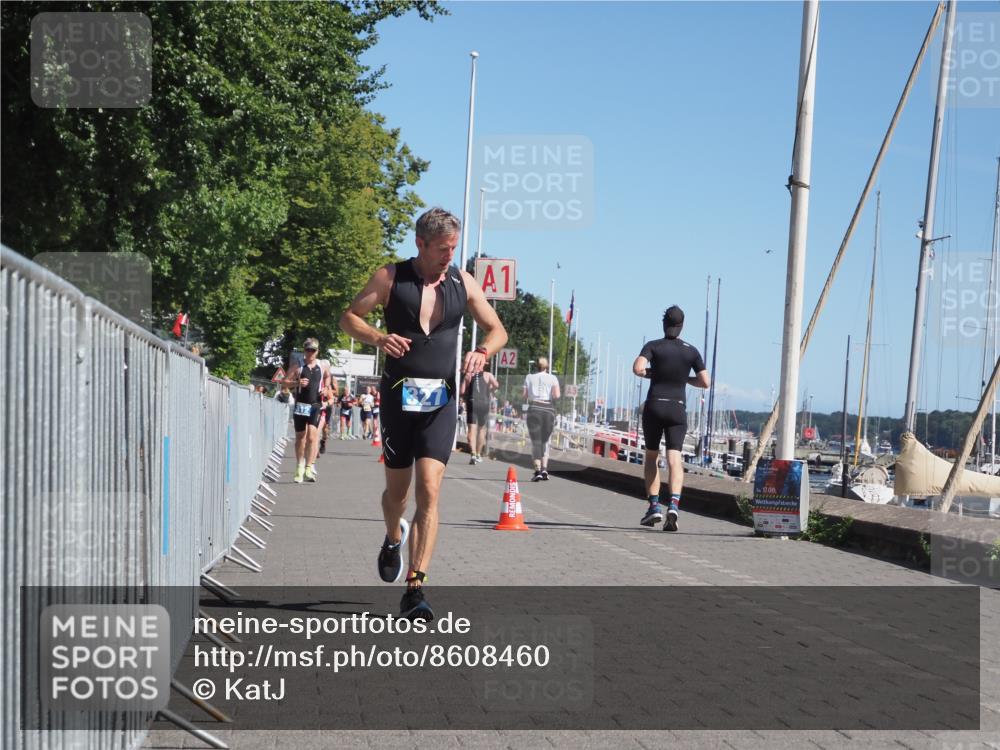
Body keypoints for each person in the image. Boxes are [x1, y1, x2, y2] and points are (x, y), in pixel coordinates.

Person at [340, 207, 507, 620]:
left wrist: (482, 351)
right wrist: (379, 337)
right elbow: (348, 318)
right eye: (443, 249)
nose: (450, 255)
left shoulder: (462, 282)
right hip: (398, 399)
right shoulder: (391, 277)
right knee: (397, 495)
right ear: (421, 244)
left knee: (429, 490)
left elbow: (497, 329)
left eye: (454, 247)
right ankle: (392, 537)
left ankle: (416, 587)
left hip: (440, 403)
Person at [632, 305, 710, 531]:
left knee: (651, 457)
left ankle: (654, 507)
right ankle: (674, 504)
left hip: (655, 405)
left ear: (664, 323)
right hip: (677, 408)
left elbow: (638, 368)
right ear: (682, 325)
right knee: (675, 458)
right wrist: (685, 379)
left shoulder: (653, 346)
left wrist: (654, 374)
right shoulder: (691, 351)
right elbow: (705, 382)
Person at [283, 339, 328, 483]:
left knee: (312, 437)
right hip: (301, 405)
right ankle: (299, 466)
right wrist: (297, 383)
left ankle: (309, 467)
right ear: (304, 350)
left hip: (315, 405)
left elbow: (328, 378)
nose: (310, 353)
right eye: (308, 350)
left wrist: (326, 388)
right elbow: (283, 383)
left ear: (317, 351)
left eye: (313, 350)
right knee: (300, 437)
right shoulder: (298, 366)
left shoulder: (323, 365)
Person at [523, 357, 560, 481]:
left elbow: (525, 395)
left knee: (536, 441)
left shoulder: (529, 377)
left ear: (536, 366)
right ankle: (544, 470)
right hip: (548, 409)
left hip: (534, 408)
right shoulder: (553, 378)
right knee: (545, 441)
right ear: (547, 366)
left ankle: (537, 471)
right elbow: (557, 395)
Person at [461, 363, 499, 463]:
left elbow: (462, 391)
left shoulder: (469, 375)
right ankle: (478, 454)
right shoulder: (488, 375)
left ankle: (473, 454)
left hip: (472, 402)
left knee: (471, 431)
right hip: (484, 403)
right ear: (482, 366)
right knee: (482, 429)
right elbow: (496, 385)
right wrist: (489, 389)